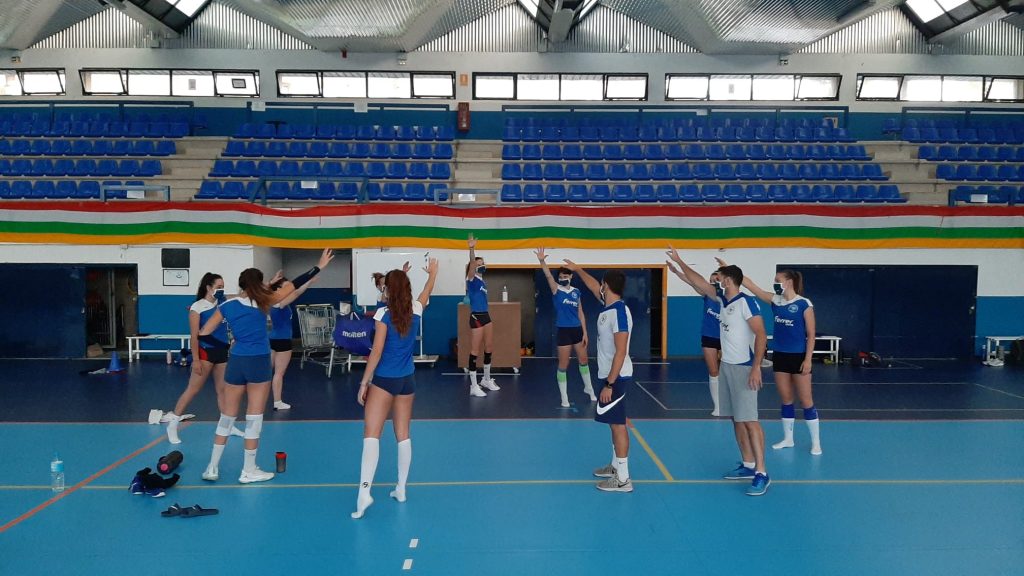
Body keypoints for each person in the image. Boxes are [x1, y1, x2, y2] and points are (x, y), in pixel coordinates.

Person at [199, 248, 334, 484]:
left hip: (236, 361)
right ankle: (248, 470)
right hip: (259, 361)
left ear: (240, 285)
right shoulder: (264, 303)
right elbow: (293, 285)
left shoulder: (227, 306)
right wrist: (319, 266)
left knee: (227, 418)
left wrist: (229, 343)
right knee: (254, 418)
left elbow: (204, 333)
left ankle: (212, 467)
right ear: (259, 285)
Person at [667, 248, 770, 496]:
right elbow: (699, 282)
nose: (717, 282)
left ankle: (762, 472)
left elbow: (761, 334)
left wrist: (756, 367)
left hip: (744, 368)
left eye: (721, 279)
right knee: (736, 418)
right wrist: (680, 261)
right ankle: (747, 464)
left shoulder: (746, 302)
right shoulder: (722, 300)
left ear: (729, 280)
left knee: (750, 420)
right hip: (727, 367)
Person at [352, 258, 439, 519]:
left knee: (371, 435)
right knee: (403, 435)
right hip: (407, 381)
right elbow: (426, 293)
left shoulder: (382, 314)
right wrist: (433, 273)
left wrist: (364, 382)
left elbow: (376, 352)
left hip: (384, 381)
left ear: (388, 290)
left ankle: (364, 493)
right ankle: (401, 488)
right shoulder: (416, 309)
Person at [732, 264, 822, 455]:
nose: (775, 285)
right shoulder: (776, 301)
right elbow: (752, 286)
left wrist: (808, 360)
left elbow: (811, 335)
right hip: (780, 356)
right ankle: (788, 439)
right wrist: (732, 271)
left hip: (798, 357)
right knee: (786, 399)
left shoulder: (804, 304)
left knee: (806, 401)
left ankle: (816, 442)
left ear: (789, 282)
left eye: (777, 281)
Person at [562, 260, 634, 493]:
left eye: (601, 284)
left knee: (618, 425)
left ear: (607, 285)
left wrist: (609, 384)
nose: (598, 287)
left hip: (617, 378)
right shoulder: (608, 307)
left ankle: (623, 479)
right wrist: (578, 270)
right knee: (614, 424)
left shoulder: (620, 312)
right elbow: (593, 287)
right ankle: (615, 467)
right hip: (609, 375)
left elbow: (621, 351)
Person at [164, 273, 242, 444]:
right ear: (208, 287)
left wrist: (267, 285)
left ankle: (227, 426)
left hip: (222, 352)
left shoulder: (223, 303)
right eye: (218, 286)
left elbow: (241, 296)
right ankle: (172, 425)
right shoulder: (197, 307)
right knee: (193, 390)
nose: (221, 289)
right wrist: (196, 360)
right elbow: (194, 336)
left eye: (223, 286)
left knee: (223, 391)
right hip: (205, 353)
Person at [534, 248, 596, 407]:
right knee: (563, 365)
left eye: (566, 276)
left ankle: (589, 389)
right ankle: (564, 397)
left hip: (577, 330)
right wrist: (542, 261)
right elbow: (548, 276)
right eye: (561, 277)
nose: (563, 278)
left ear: (571, 277)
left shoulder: (576, 292)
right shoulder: (556, 290)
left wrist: (585, 332)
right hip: (564, 331)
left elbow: (581, 312)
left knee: (583, 360)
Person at [667, 263, 723, 416]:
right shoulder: (707, 294)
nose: (713, 281)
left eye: (716, 279)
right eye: (711, 279)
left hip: (727, 337)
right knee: (713, 371)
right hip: (709, 335)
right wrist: (677, 272)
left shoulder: (727, 297)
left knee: (729, 372)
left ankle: (731, 401)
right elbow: (692, 281)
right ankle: (718, 406)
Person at [267, 275, 319, 411]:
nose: (289, 289)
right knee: (278, 373)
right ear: (279, 289)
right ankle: (277, 402)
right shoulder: (280, 302)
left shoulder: (273, 302)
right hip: (283, 341)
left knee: (267, 371)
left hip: (273, 339)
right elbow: (296, 292)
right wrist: (308, 282)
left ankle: (258, 396)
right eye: (286, 286)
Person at [465, 234, 500, 397]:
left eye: (483, 263)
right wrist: (472, 248)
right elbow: (472, 263)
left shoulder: (483, 281)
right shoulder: (471, 279)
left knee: (489, 348)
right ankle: (473, 385)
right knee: (475, 351)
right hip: (476, 317)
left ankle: (486, 379)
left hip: (486, 315)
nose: (482, 265)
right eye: (479, 264)